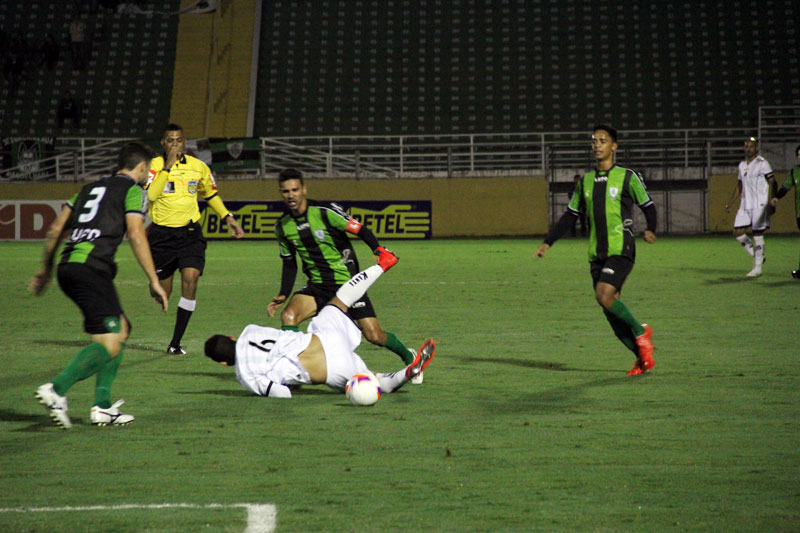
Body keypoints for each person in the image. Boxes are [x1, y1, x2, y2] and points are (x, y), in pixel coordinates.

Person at [28, 142, 169, 429]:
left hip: (69, 267)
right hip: (92, 269)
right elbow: (136, 233)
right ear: (141, 167)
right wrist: (154, 280)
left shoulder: (87, 189)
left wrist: (45, 269)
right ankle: (57, 389)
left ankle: (102, 408)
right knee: (112, 341)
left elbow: (56, 229)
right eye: (149, 170)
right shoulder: (134, 192)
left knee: (121, 327)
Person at [205, 249, 435, 398]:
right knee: (341, 299)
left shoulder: (245, 376)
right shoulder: (249, 331)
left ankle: (406, 373)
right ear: (232, 337)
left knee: (374, 381)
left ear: (224, 363)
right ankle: (381, 265)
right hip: (323, 337)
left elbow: (282, 394)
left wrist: (289, 383)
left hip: (331, 369)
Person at [267, 168, 423, 381]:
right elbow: (289, 263)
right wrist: (283, 293)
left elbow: (359, 229)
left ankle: (410, 358)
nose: (291, 195)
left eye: (295, 190)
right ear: (281, 193)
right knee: (289, 316)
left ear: (304, 189)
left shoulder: (325, 211)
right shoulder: (282, 227)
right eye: (285, 191)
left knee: (374, 335)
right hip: (317, 287)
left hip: (347, 285)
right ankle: (293, 370)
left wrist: (379, 250)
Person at [535, 124, 657, 375]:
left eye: (603, 140)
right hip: (596, 254)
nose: (597, 145)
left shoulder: (627, 177)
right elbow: (570, 215)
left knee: (604, 295)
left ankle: (641, 330)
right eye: (594, 141)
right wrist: (549, 241)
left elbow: (648, 204)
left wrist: (650, 228)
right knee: (610, 309)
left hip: (621, 247)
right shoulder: (586, 182)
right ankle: (641, 358)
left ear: (614, 146)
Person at [145, 123, 245, 355]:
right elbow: (151, 194)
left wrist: (227, 217)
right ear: (163, 143)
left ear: (185, 142)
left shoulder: (198, 167)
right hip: (162, 236)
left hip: (189, 234)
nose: (175, 144)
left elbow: (210, 194)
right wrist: (168, 167)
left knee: (191, 278)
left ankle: (175, 342)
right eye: (170, 140)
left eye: (179, 140)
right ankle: (154, 282)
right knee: (163, 293)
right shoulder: (154, 166)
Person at [725, 137, 775, 277]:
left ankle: (757, 267)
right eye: (746, 146)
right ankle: (757, 255)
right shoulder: (741, 165)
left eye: (751, 146)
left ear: (756, 149)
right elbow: (739, 185)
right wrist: (731, 202)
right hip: (745, 204)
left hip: (759, 204)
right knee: (738, 232)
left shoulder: (762, 163)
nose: (748, 149)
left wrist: (772, 198)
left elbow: (772, 181)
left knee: (757, 234)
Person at [770, 143, 800, 279]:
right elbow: (785, 187)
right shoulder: (795, 172)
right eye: (799, 156)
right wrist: (777, 197)